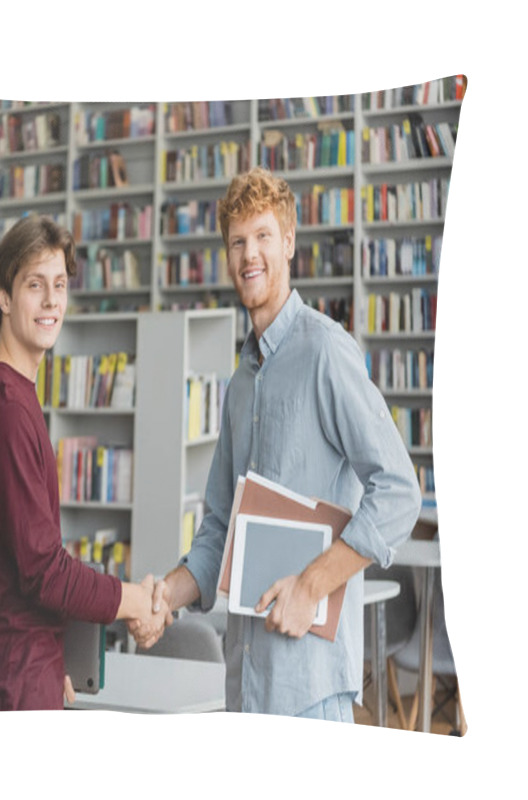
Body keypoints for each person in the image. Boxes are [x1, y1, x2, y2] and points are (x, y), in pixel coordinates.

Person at [131, 167, 422, 722]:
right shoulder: (240, 382)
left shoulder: (326, 353)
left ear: (288, 242)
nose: (250, 254)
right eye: (237, 242)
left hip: (310, 685)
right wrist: (165, 595)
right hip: (245, 679)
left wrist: (312, 584)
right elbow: (220, 526)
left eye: (263, 236)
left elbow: (400, 493)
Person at [0, 215, 162, 712]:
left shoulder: (13, 394)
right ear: (4, 296)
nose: (51, 301)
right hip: (6, 687)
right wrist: (136, 601)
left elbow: (19, 564)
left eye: (60, 285)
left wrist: (50, 659)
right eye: (34, 285)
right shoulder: (6, 409)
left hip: (23, 673)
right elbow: (43, 571)